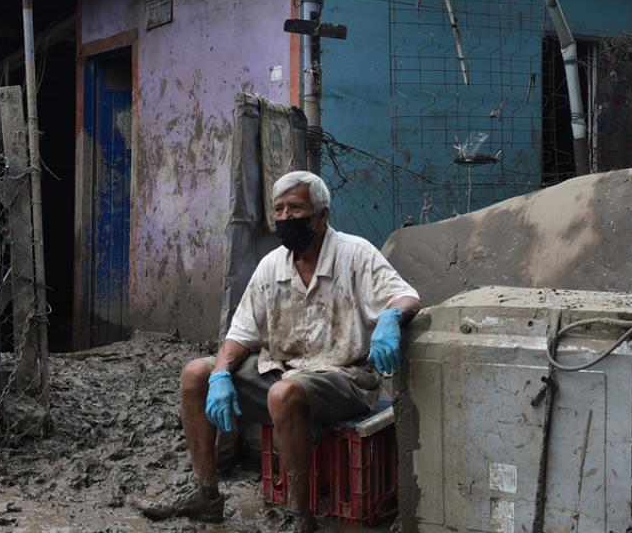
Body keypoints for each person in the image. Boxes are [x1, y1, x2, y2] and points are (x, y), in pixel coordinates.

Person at [135, 171, 420, 531]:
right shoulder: (273, 265)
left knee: (283, 392)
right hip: (283, 370)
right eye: (279, 209)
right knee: (197, 374)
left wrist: (392, 316)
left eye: (296, 208)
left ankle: (300, 517)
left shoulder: (354, 253)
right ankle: (205, 495)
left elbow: (407, 295)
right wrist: (221, 373)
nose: (286, 217)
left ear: (322, 215)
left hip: (345, 378)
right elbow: (240, 333)